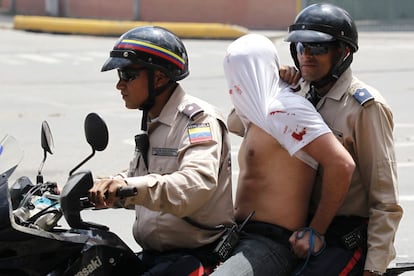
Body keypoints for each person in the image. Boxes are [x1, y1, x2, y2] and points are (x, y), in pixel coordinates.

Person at [88, 25, 234, 275]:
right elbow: (144, 174)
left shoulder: (198, 120)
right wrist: (107, 185)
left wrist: (127, 189)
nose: (119, 85)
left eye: (128, 75)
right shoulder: (154, 119)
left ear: (159, 77)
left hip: (194, 257)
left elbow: (195, 185)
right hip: (155, 256)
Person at [211, 33, 355, 276]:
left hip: (271, 242)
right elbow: (232, 121)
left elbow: (341, 164)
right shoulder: (258, 111)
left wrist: (315, 231)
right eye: (232, 74)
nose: (235, 84)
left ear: (257, 71)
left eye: (243, 73)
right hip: (239, 233)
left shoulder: (285, 110)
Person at [280, 3, 404, 275]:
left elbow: (385, 200)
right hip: (299, 228)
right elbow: (238, 125)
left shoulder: (364, 108)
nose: (307, 56)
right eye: (301, 47)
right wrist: (273, 87)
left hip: (344, 236)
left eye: (319, 48)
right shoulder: (296, 94)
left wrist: (374, 268)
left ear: (343, 52)